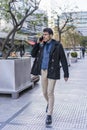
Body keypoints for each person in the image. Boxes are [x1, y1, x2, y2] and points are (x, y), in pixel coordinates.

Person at [31, 28, 69, 125]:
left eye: (46, 34)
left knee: (50, 92)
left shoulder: (57, 45)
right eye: (43, 34)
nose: (44, 36)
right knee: (44, 92)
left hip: (53, 71)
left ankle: (49, 114)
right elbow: (33, 54)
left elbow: (63, 59)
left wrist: (66, 73)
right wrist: (37, 43)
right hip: (43, 71)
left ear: (51, 35)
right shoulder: (42, 45)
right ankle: (49, 103)